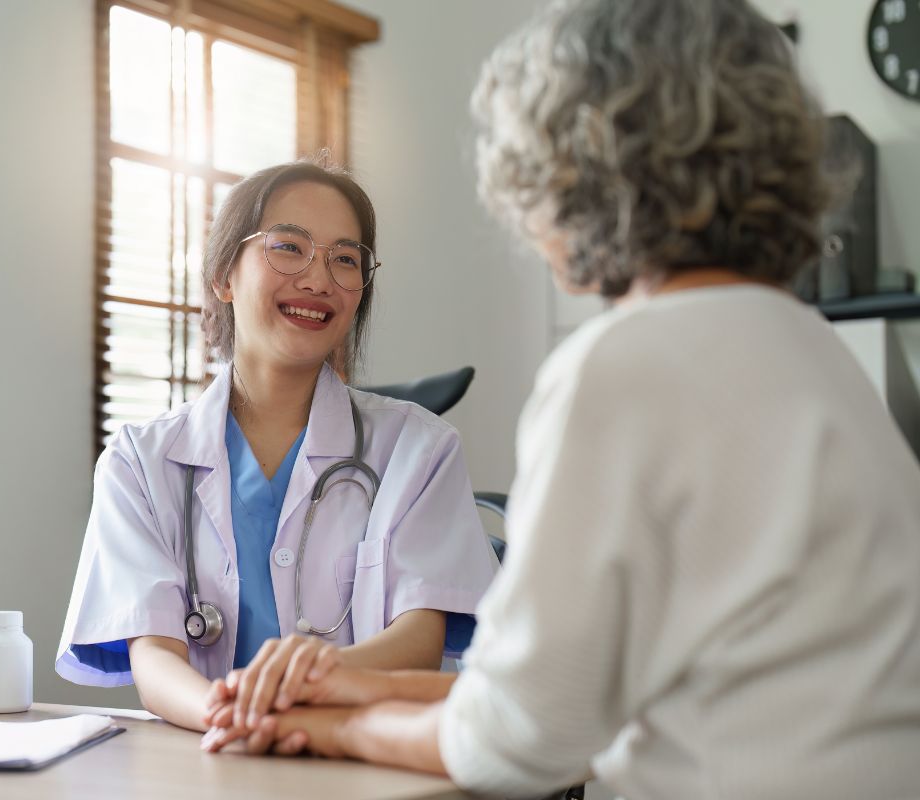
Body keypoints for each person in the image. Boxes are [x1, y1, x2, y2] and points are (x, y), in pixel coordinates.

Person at [200, 1, 920, 797]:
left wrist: (317, 727)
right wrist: (351, 686)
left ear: (579, 170)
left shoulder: (623, 365)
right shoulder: (815, 353)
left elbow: (518, 740)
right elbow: (561, 694)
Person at [55, 160, 499, 733]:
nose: (318, 280)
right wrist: (234, 717)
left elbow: (418, 638)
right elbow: (155, 655)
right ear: (223, 276)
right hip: (210, 753)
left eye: (345, 259)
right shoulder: (139, 461)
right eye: (288, 248)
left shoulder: (420, 449)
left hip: (359, 762)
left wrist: (296, 692)